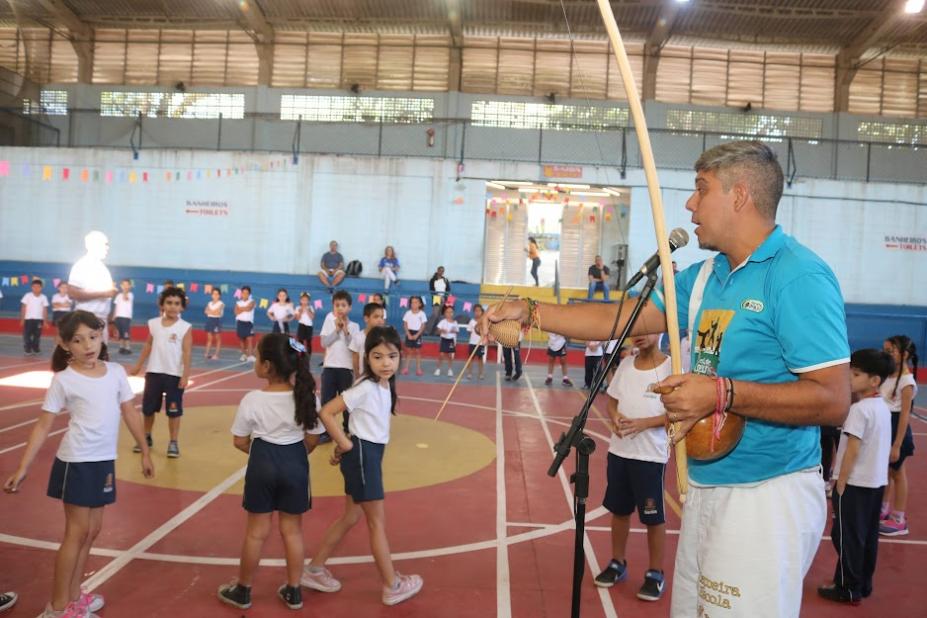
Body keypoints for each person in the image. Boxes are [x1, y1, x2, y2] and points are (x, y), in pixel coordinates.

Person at [484, 141, 850, 618]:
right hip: (705, 485)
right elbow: (615, 321)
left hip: (766, 496)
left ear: (740, 196)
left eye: (702, 190)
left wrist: (722, 393)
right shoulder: (703, 278)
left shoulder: (798, 277)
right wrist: (528, 310)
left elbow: (833, 400)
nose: (689, 204)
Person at [3, 311, 153, 618]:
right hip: (77, 462)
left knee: (93, 530)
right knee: (77, 531)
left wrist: (145, 450)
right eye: (78, 339)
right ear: (64, 344)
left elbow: (130, 412)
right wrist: (23, 468)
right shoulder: (65, 380)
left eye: (93, 337)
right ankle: (56, 608)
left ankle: (73, 597)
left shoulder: (115, 372)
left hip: (103, 462)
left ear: (102, 336)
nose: (88, 345)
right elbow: (44, 425)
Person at [302, 326, 424, 606]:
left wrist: (346, 445)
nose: (386, 363)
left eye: (392, 357)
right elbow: (327, 412)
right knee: (376, 522)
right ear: (367, 357)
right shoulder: (365, 387)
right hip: (363, 457)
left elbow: (359, 425)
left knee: (351, 517)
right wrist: (345, 445)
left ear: (399, 357)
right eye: (378, 357)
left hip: (364, 455)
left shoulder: (382, 386)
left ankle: (314, 568)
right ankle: (392, 585)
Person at [218, 335, 325, 611]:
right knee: (292, 532)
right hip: (295, 462)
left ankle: (242, 591)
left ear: (266, 366)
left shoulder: (252, 399)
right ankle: (293, 591)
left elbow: (240, 441)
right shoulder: (306, 397)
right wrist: (294, 456)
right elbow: (313, 438)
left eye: (256, 358)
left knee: (256, 533)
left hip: (262, 461)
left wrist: (262, 455)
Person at [593, 334, 671, 602]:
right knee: (619, 510)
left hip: (650, 458)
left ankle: (655, 572)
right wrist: (614, 418)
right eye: (636, 329)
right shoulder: (626, 365)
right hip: (619, 452)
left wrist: (644, 424)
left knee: (653, 517)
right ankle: (617, 562)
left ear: (661, 330)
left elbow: (678, 412)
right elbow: (613, 400)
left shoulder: (671, 369)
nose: (639, 335)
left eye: (646, 328)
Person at [818, 348, 894, 606]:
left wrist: (839, 484)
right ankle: (862, 583)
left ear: (874, 380)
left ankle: (847, 587)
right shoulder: (881, 407)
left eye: (857, 374)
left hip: (854, 484)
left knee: (846, 536)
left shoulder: (860, 411)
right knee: (867, 536)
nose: (850, 377)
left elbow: (852, 449)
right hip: (875, 483)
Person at [130, 287, 193, 459]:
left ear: (182, 307)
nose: (173, 307)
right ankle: (147, 436)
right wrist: (138, 365)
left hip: (174, 375)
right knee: (148, 409)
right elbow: (148, 345)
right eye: (169, 303)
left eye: (177, 304)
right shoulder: (153, 324)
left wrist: (185, 375)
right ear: (162, 305)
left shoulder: (185, 327)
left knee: (174, 411)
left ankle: (173, 442)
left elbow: (187, 352)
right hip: (154, 373)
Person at [879, 335, 918, 536]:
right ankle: (883, 508)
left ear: (904, 355)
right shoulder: (888, 376)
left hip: (897, 431)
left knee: (897, 473)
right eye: (884, 350)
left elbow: (904, 416)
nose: (885, 355)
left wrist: (897, 444)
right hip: (885, 428)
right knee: (885, 471)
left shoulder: (906, 381)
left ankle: (899, 518)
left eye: (890, 351)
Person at [68, 231, 117, 342]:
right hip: (87, 319)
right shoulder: (82, 265)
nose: (107, 248)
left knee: (100, 357)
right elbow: (72, 292)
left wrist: (110, 321)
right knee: (87, 356)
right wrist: (104, 293)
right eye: (105, 244)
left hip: (100, 319)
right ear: (92, 245)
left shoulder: (102, 267)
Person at [319, 290, 359, 410]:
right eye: (337, 305)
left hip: (346, 369)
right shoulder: (329, 320)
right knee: (326, 401)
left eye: (343, 305)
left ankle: (347, 427)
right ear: (333, 307)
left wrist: (346, 331)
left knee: (347, 402)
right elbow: (324, 343)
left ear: (350, 307)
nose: (340, 308)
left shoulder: (354, 326)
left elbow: (353, 348)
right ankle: (325, 428)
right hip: (329, 367)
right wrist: (336, 330)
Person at [350, 302, 386, 376]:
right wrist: (357, 375)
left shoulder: (384, 338)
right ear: (366, 318)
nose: (380, 320)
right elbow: (355, 357)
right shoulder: (358, 337)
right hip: (363, 376)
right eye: (376, 317)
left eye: (382, 317)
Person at [20, 278, 48, 355]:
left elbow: (45, 309)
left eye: (38, 287)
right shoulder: (27, 295)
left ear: (41, 288)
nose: (36, 288)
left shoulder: (43, 297)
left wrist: (45, 321)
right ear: (31, 287)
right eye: (34, 286)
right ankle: (27, 348)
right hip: (28, 319)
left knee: (37, 335)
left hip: (39, 320)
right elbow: (23, 307)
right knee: (27, 335)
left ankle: (36, 348)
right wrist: (22, 319)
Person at [400, 296, 426, 376]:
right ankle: (406, 368)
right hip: (409, 332)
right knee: (409, 352)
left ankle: (418, 369)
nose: (414, 304)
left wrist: (417, 335)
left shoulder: (422, 314)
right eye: (412, 302)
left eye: (416, 302)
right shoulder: (408, 313)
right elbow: (405, 324)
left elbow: (423, 325)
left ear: (420, 304)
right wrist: (408, 334)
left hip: (417, 333)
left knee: (418, 352)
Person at [235, 286, 257, 362]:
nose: (245, 294)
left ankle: (250, 356)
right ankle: (244, 354)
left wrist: (240, 308)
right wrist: (244, 308)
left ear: (249, 294)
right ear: (241, 294)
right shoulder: (238, 302)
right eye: (243, 293)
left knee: (249, 339)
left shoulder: (252, 301)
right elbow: (236, 312)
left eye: (247, 293)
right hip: (240, 322)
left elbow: (249, 308)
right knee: (242, 339)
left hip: (248, 323)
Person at [112, 278, 134, 355]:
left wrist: (125, 290)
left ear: (130, 286)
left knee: (125, 333)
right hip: (118, 317)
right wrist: (114, 316)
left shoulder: (130, 295)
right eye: (123, 285)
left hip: (126, 317)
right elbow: (116, 306)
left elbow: (125, 298)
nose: (125, 286)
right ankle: (121, 347)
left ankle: (127, 347)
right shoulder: (118, 296)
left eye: (127, 285)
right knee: (120, 333)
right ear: (121, 285)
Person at [427, 266, 451, 334]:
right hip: (436, 298)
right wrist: (436, 295)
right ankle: (429, 330)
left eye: (442, 271)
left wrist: (446, 297)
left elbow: (448, 289)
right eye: (440, 270)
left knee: (441, 315)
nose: (441, 272)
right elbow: (431, 289)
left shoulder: (445, 280)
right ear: (437, 270)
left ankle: (437, 331)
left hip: (444, 297)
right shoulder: (433, 279)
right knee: (435, 314)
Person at [465, 304, 486, 381]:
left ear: (482, 312)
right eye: (476, 311)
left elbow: (485, 331)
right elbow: (469, 332)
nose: (477, 312)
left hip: (480, 343)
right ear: (474, 312)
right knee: (471, 358)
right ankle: (469, 373)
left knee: (480, 358)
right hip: (472, 343)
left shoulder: (484, 321)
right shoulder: (472, 321)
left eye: (479, 311)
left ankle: (481, 373)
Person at [204, 287, 224, 360]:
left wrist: (211, 311)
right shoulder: (209, 303)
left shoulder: (221, 303)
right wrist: (212, 312)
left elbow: (218, 312)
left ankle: (216, 354)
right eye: (214, 294)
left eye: (217, 294)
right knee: (209, 338)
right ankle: (206, 353)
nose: (215, 295)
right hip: (210, 320)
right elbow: (206, 311)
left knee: (217, 338)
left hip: (216, 321)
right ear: (211, 295)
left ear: (219, 295)